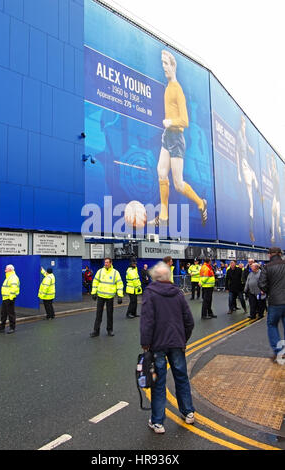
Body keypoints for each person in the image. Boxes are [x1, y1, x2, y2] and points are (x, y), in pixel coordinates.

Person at [148, 50, 207, 227]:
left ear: (173, 66)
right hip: (168, 136)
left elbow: (185, 121)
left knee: (178, 184)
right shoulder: (168, 87)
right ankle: (164, 217)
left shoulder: (178, 90)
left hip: (176, 138)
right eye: (162, 64)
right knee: (160, 171)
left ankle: (200, 203)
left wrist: (169, 122)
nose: (163, 67)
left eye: (166, 64)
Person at [140, 262, 195, 434]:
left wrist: (145, 343)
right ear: (168, 277)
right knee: (181, 377)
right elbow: (189, 321)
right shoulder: (178, 293)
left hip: (157, 344)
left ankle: (158, 422)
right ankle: (188, 412)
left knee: (158, 382)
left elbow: (147, 321)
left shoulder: (150, 293)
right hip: (176, 343)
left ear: (154, 277)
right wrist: (182, 339)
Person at [258, 247, 285, 362]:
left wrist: (269, 291)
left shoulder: (267, 267)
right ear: (280, 254)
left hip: (275, 302)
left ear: (269, 255)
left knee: (272, 325)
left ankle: (279, 352)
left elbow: (262, 284)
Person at [236, 115, 259, 243]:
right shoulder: (239, 135)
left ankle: (256, 187)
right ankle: (250, 230)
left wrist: (251, 149)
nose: (245, 128)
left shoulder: (244, 136)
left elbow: (248, 146)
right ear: (241, 125)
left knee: (252, 202)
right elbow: (237, 154)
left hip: (247, 165)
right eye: (244, 125)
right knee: (250, 202)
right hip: (244, 165)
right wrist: (239, 172)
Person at [90, 258, 124, 337]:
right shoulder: (100, 271)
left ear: (111, 263)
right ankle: (96, 331)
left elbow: (119, 284)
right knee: (98, 314)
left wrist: (120, 296)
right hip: (100, 296)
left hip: (110, 297)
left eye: (107, 262)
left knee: (110, 314)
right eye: (105, 262)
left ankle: (110, 330)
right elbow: (95, 282)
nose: (105, 264)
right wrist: (93, 293)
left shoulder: (115, 273)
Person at [0, 265, 20, 334]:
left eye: (6, 269)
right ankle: (2, 327)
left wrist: (11, 298)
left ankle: (12, 328)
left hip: (9, 298)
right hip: (5, 298)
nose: (5, 270)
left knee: (11, 313)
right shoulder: (9, 277)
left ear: (10, 270)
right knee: (3, 313)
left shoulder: (13, 277)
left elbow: (13, 288)